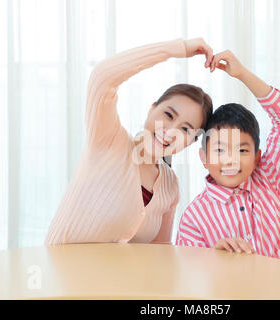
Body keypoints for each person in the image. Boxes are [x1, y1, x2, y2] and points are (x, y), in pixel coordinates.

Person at [45, 38, 213, 245]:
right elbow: (103, 77)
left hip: (115, 278)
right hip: (61, 275)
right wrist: (176, 49)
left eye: (185, 129)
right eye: (168, 115)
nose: (170, 132)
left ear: (190, 142)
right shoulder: (108, 140)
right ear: (152, 109)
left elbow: (158, 255)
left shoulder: (170, 186)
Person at [175, 50, 280, 263]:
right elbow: (190, 276)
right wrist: (214, 256)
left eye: (242, 150)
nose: (230, 159)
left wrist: (242, 74)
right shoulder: (194, 217)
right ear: (203, 157)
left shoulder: (269, 180)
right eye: (220, 150)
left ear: (257, 157)